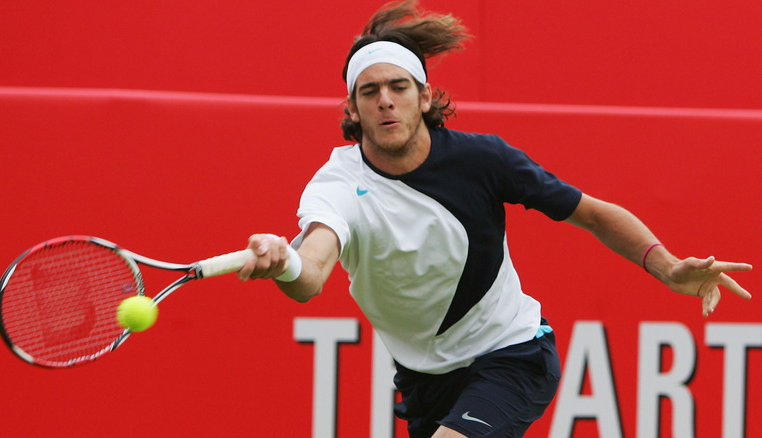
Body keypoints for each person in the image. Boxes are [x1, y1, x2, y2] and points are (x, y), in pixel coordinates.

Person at [236, 1, 753, 437]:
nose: (385, 101)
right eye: (369, 93)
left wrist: (666, 268)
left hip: (512, 355)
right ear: (353, 107)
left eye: (398, 87)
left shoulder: (485, 161)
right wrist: (284, 262)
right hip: (423, 382)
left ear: (424, 95)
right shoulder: (336, 184)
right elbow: (312, 272)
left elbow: (593, 215)